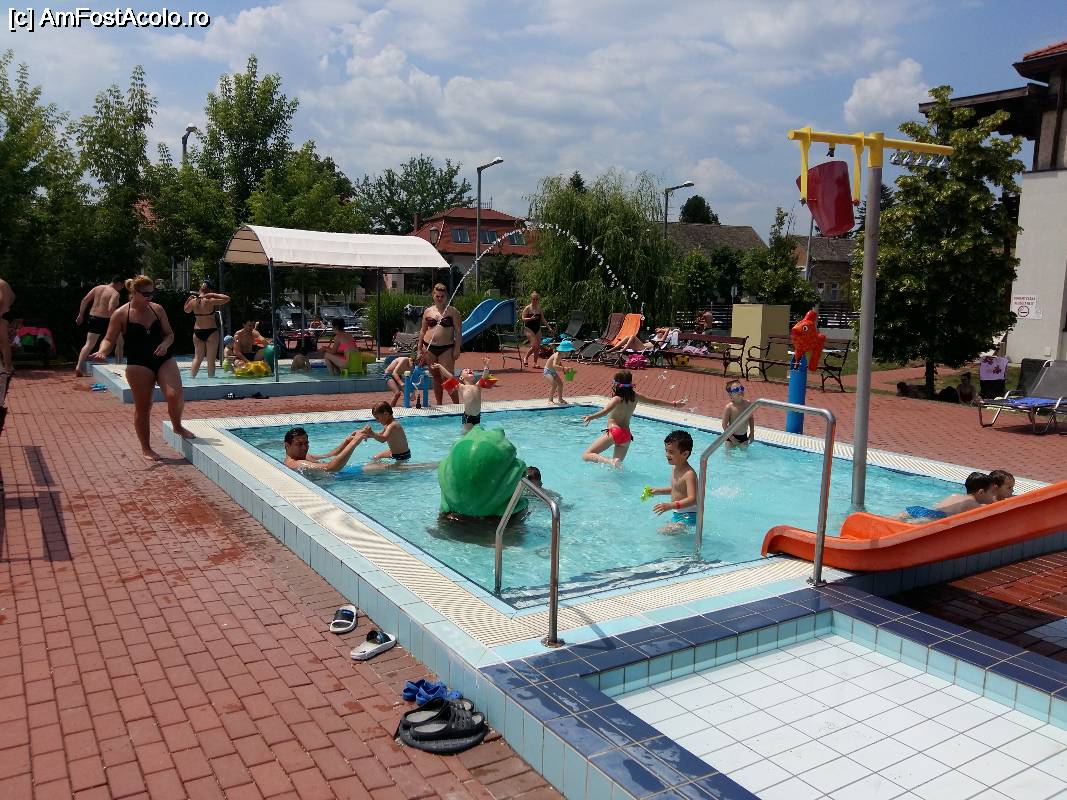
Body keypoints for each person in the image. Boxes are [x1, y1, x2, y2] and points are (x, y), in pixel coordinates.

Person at [89, 275, 194, 460]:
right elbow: (108, 339)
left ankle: (177, 426)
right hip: (138, 363)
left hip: (163, 358)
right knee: (144, 406)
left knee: (175, 395)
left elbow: (169, 335)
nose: (149, 297)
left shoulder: (157, 309)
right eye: (145, 294)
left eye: (152, 293)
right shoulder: (121, 314)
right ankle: (146, 448)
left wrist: (165, 345)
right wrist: (103, 352)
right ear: (134, 292)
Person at [582, 370, 685, 468]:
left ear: (616, 384)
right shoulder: (635, 396)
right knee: (617, 466)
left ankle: (609, 461)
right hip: (627, 436)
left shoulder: (617, 399)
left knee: (587, 454)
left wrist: (591, 417)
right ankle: (614, 464)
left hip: (615, 431)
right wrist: (674, 404)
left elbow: (605, 411)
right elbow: (654, 402)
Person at [419, 283, 463, 405]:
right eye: (437, 296)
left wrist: (457, 348)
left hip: (446, 349)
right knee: (436, 377)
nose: (439, 298)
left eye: (442, 296)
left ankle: (457, 404)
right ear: (433, 296)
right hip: (429, 349)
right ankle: (439, 404)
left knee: (448, 377)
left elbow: (459, 331)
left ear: (446, 296)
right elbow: (422, 331)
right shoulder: (428, 311)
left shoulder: (453, 311)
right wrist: (419, 349)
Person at [647, 430, 699, 533]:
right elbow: (677, 489)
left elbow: (692, 499)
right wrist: (658, 491)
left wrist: (670, 505)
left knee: (662, 532)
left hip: (688, 516)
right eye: (666, 450)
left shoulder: (689, 474)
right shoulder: (675, 467)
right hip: (678, 514)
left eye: (671, 452)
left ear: (685, 454)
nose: (667, 454)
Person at [75, 276, 123, 377]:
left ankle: (79, 366)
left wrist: (80, 315)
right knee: (119, 341)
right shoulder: (115, 293)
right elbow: (111, 308)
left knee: (89, 344)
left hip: (93, 318)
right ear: (119, 284)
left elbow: (85, 300)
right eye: (122, 286)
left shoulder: (98, 288)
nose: (121, 288)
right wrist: (118, 320)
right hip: (106, 319)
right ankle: (119, 365)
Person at [900, 472, 996, 521]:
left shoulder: (955, 495)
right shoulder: (972, 503)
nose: (993, 495)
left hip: (920, 510)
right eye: (992, 492)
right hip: (935, 517)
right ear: (981, 492)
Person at [183, 281, 230, 378]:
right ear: (210, 290)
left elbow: (186, 310)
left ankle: (191, 379)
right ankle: (211, 381)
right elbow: (227, 298)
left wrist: (188, 300)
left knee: (197, 358)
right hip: (211, 331)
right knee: (211, 359)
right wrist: (212, 294)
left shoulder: (193, 301)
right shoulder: (210, 300)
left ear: (200, 289)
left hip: (197, 331)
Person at [429, 358, 489, 432]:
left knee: (476, 433)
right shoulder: (462, 387)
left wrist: (486, 365)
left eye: (470, 370)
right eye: (466, 370)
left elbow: (484, 376)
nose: (469, 370)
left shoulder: (478, 386)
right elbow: (449, 376)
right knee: (466, 435)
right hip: (468, 417)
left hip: (477, 416)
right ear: (461, 377)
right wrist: (439, 366)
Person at [283, 426, 364, 473]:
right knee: (371, 468)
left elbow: (331, 455)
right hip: (340, 478)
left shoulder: (306, 456)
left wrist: (347, 441)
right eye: (299, 444)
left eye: (306, 443)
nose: (304, 447)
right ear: (287, 445)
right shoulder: (296, 464)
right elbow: (331, 468)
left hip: (341, 473)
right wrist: (354, 443)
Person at [722, 380, 755, 446]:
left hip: (744, 436)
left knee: (745, 452)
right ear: (730, 394)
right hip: (731, 437)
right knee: (730, 452)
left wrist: (752, 433)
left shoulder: (747, 404)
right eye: (736, 389)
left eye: (741, 388)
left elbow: (751, 418)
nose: (740, 391)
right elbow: (724, 424)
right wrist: (732, 438)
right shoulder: (729, 407)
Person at [521, 292, 547, 368]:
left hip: (537, 329)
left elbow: (543, 319)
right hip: (529, 328)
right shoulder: (528, 308)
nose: (535, 301)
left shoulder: (539, 308)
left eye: (536, 299)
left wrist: (549, 328)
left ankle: (535, 363)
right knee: (535, 345)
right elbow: (523, 318)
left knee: (538, 346)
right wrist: (530, 318)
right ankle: (526, 358)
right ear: (531, 299)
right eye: (533, 299)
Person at [0, 278, 14, 373]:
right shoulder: (3, 283)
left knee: (3, 342)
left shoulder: (1, 284)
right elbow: (13, 296)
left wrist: (3, 309)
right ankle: (8, 367)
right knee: (3, 342)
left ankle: (7, 368)